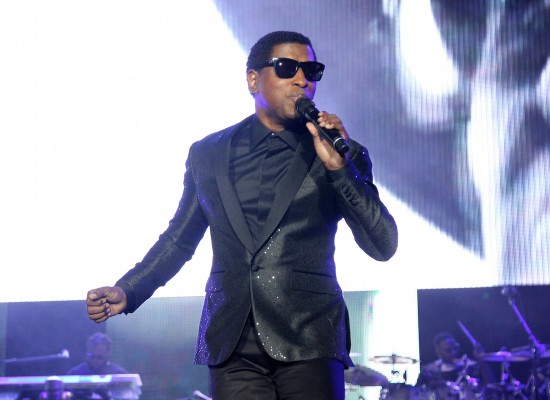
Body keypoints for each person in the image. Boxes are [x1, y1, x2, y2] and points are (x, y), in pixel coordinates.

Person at [84, 30, 398, 400]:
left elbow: (383, 244)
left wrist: (340, 171)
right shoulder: (208, 154)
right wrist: (129, 288)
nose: (302, 80)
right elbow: (179, 239)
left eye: (311, 71)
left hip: (310, 338)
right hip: (232, 340)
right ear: (253, 79)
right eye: (287, 68)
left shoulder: (339, 153)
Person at [416, 332, 492, 399]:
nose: (453, 352)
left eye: (455, 348)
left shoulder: (469, 366)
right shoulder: (429, 371)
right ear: (438, 351)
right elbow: (415, 392)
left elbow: (491, 386)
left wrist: (481, 359)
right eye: (448, 350)